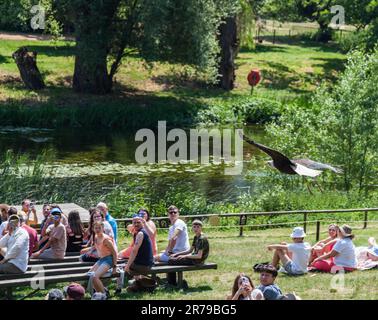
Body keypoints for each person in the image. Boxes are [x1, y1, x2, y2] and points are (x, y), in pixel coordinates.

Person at [123, 213, 154, 293]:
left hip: (144, 265)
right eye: (134, 222)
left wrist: (127, 266)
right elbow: (129, 227)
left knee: (123, 268)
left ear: (142, 223)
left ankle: (140, 282)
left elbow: (134, 251)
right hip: (147, 263)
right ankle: (140, 284)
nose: (136, 224)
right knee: (128, 265)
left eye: (138, 222)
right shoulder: (139, 232)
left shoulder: (140, 233)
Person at [87, 221, 117, 297]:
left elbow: (114, 253)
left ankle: (104, 296)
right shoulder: (96, 237)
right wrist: (90, 251)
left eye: (99, 228)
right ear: (93, 229)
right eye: (96, 228)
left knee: (95, 277)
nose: (97, 230)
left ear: (103, 228)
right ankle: (98, 293)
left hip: (108, 260)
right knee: (89, 274)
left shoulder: (106, 239)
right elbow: (96, 246)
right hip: (101, 259)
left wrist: (114, 268)